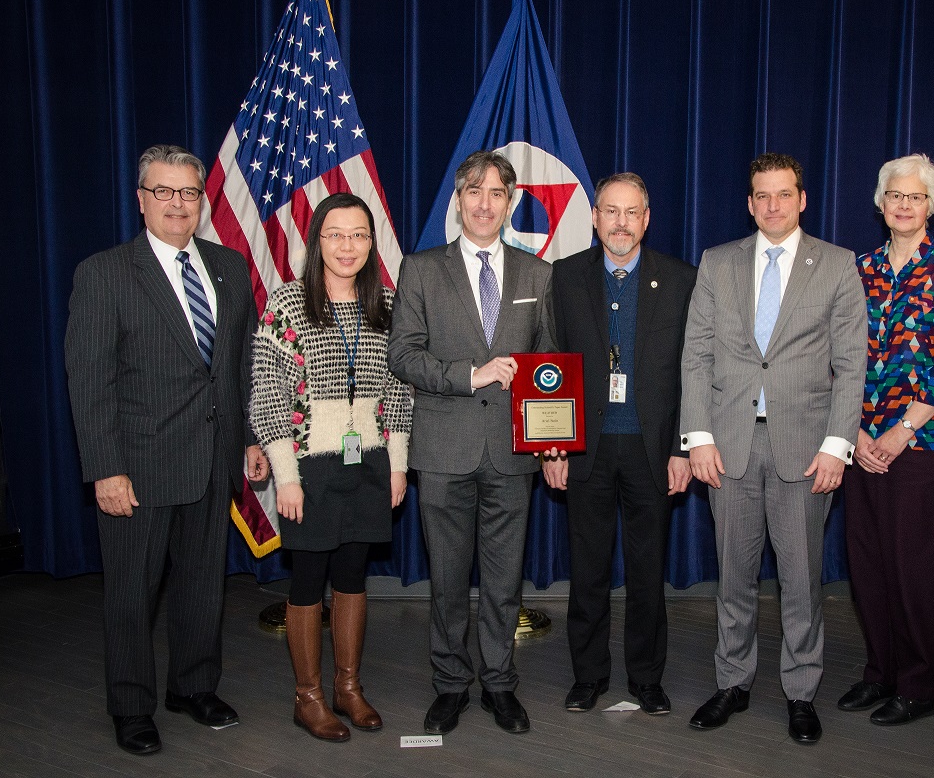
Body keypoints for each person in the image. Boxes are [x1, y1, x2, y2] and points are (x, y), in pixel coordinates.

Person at [65, 144, 268, 755]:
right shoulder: (103, 273)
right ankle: (131, 706)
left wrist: (252, 438)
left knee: (204, 584)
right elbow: (89, 379)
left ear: (201, 201)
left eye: (187, 193)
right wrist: (105, 469)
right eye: (164, 192)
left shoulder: (230, 268)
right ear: (142, 199)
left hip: (214, 459)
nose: (177, 204)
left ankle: (193, 686)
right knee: (131, 593)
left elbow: (241, 367)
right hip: (139, 467)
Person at [680, 152, 867, 744]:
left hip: (806, 449)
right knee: (733, 575)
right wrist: (698, 438)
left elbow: (851, 364)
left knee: (802, 579)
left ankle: (800, 691)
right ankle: (732, 682)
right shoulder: (717, 262)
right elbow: (697, 355)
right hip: (728, 447)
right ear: (750, 202)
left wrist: (838, 446)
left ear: (802, 199)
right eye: (762, 195)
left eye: (784, 194)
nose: (773, 205)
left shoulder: (836, 266)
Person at [388, 150, 554, 735]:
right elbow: (402, 355)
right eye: (474, 193)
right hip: (442, 450)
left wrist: (553, 439)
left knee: (505, 580)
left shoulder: (539, 274)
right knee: (449, 580)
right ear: (457, 202)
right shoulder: (421, 268)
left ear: (510, 205)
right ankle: (451, 684)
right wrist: (470, 374)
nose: (485, 204)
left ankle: (501, 685)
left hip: (513, 452)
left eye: (497, 194)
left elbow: (547, 368)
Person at [250, 193, 412, 742]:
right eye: (336, 234)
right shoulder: (287, 303)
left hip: (368, 465)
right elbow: (267, 396)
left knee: (352, 576)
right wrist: (286, 477)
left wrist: (397, 464)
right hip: (307, 471)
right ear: (317, 240)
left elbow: (399, 390)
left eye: (359, 235)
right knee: (307, 581)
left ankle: (348, 687)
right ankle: (309, 697)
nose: (348, 246)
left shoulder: (387, 306)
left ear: (372, 243)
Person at [542, 173, 696, 714]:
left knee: (647, 570)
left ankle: (646, 678)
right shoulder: (562, 277)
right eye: (611, 211)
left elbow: (693, 371)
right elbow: (549, 361)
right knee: (588, 570)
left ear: (647, 218)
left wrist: (684, 445)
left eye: (632, 212)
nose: (621, 223)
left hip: (653, 449)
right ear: (594, 217)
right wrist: (553, 446)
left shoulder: (681, 279)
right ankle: (588, 677)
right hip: (585, 446)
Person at [837, 154, 934, 725]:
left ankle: (917, 685)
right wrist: (860, 431)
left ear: (931, 206)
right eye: (895, 195)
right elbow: (839, 356)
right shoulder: (859, 268)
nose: (903, 205)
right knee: (868, 564)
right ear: (880, 202)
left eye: (915, 197)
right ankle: (880, 673)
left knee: (914, 567)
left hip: (925, 444)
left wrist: (898, 432)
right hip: (861, 439)